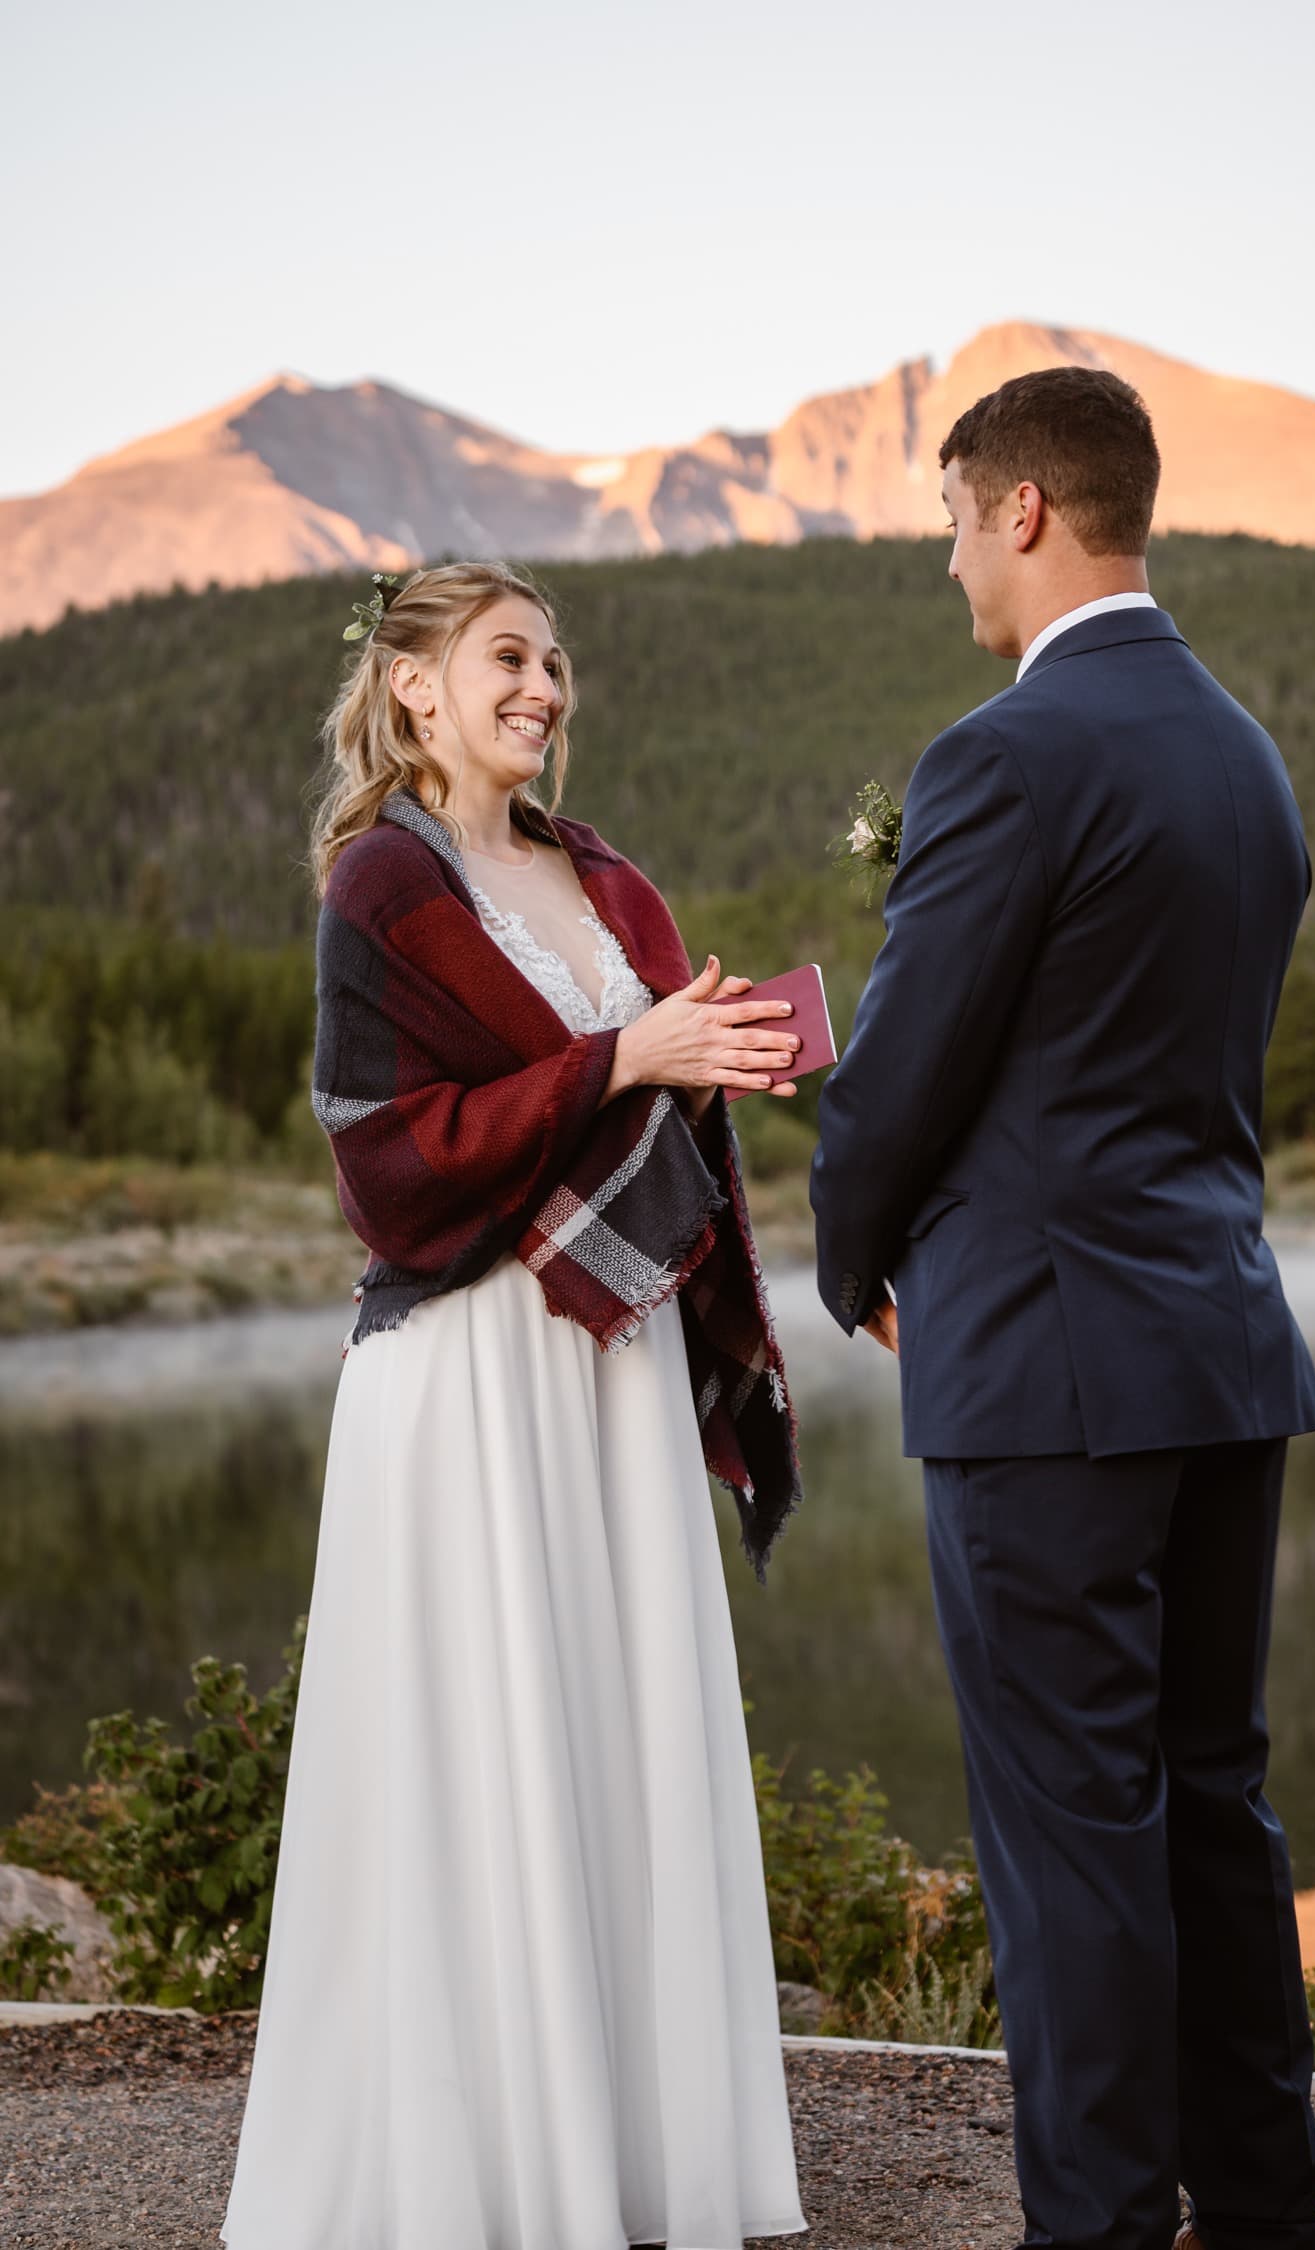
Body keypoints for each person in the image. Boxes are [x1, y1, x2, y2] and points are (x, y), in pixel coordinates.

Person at [810, 369, 1315, 2250]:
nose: (952, 559)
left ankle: (1101, 2225)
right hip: (1217, 1344)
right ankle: (1274, 2209)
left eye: (957, 519)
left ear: (1025, 510)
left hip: (1045, 1372)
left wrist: (855, 1262)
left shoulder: (1004, 757)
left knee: (1069, 1847)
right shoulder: (1241, 751)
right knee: (1213, 1807)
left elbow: (896, 1075)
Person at [221, 560, 809, 2250]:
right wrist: (631, 1060)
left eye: (556, 661)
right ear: (414, 687)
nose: (544, 688)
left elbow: (649, 1125)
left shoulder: (606, 880)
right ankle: (482, 2170)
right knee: (481, 1747)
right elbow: (389, 1170)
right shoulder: (378, 887)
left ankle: (625, 2151)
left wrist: (717, 1053)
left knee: (612, 1734)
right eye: (507, 658)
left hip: (609, 1368)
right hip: (467, 1366)